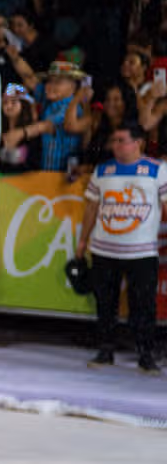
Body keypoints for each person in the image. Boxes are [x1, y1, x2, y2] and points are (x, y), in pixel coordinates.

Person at [80, 124, 162, 371]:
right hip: (104, 250)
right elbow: (92, 208)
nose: (115, 145)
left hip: (142, 252)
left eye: (121, 140)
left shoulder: (158, 170)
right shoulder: (103, 170)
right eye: (114, 140)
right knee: (105, 304)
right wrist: (82, 242)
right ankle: (105, 350)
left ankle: (145, 355)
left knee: (143, 306)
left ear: (139, 143)